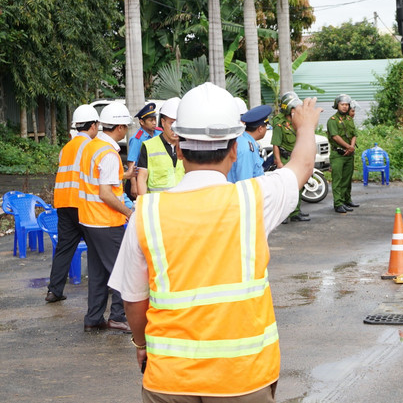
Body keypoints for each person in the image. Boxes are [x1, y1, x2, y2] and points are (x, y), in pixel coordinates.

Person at [109, 82, 320, 402]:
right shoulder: (254, 199)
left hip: (170, 378)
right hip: (244, 377)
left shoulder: (146, 213)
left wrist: (141, 345)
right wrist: (305, 127)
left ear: (180, 150)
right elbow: (302, 166)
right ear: (234, 150)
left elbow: (134, 301)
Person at [77, 102, 135, 332]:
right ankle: (118, 316)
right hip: (106, 221)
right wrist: (128, 212)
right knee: (122, 270)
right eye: (126, 126)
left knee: (98, 272)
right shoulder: (109, 154)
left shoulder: (91, 146)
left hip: (88, 220)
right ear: (120, 128)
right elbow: (106, 193)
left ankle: (93, 318)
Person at [45, 104, 98, 303]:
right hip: (82, 203)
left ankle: (54, 290)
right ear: (93, 126)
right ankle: (107, 287)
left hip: (63, 203)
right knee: (98, 246)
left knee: (64, 248)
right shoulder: (90, 146)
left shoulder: (66, 148)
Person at [272, 91, 309, 222]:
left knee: (298, 186)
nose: (297, 110)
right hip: (286, 158)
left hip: (297, 158)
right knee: (287, 187)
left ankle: (295, 212)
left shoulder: (298, 121)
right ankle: (285, 214)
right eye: (294, 107)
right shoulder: (280, 124)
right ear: (288, 109)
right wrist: (279, 162)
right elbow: (276, 144)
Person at [136, 97, 184, 196]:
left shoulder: (188, 145)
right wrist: (144, 202)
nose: (175, 128)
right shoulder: (149, 146)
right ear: (163, 122)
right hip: (158, 204)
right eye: (171, 123)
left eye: (178, 123)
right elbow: (142, 178)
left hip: (183, 202)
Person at [327, 94, 358, 214]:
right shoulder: (332, 121)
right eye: (342, 104)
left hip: (349, 154)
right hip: (338, 155)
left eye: (346, 105)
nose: (345, 107)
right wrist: (348, 147)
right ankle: (338, 203)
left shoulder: (349, 119)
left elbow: (354, 134)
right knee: (338, 180)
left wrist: (351, 147)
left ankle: (346, 200)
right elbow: (335, 136)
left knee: (347, 179)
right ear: (337, 105)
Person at [228, 104, 272, 183]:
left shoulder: (243, 140)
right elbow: (245, 182)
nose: (266, 129)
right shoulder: (247, 148)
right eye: (266, 126)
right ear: (260, 129)